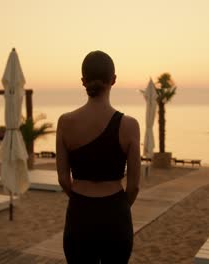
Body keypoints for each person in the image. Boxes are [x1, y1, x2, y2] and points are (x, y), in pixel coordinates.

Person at [56, 50, 141, 263]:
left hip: (79, 213)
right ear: (113, 80)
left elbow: (63, 179)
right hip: (115, 213)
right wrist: (118, 207)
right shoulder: (129, 125)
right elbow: (134, 186)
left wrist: (81, 201)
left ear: (83, 81)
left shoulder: (65, 122)